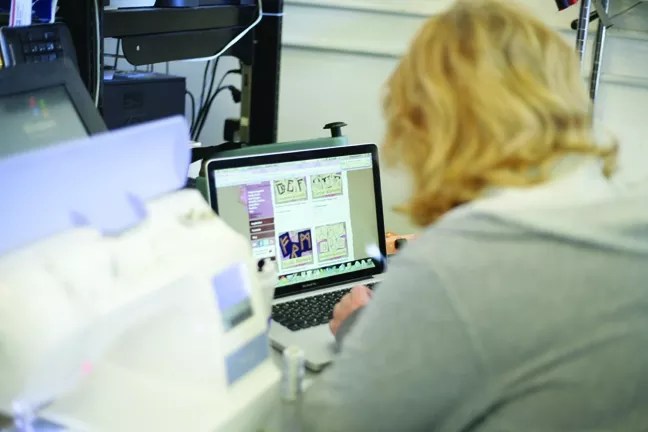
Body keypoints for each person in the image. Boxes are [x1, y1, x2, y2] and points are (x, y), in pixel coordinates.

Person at [295, 0, 648, 430]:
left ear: (425, 122)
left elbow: (324, 424)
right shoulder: (633, 219)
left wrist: (361, 332)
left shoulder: (453, 266)